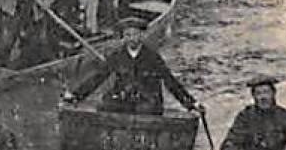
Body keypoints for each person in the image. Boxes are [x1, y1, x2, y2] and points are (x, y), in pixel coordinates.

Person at [61, 17, 201, 116]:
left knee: (145, 111)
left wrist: (191, 104)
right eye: (128, 35)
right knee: (104, 106)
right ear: (124, 37)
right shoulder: (117, 55)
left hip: (147, 99)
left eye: (135, 34)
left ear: (142, 35)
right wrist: (75, 95)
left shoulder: (152, 57)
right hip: (124, 99)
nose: (132, 38)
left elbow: (170, 81)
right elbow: (98, 77)